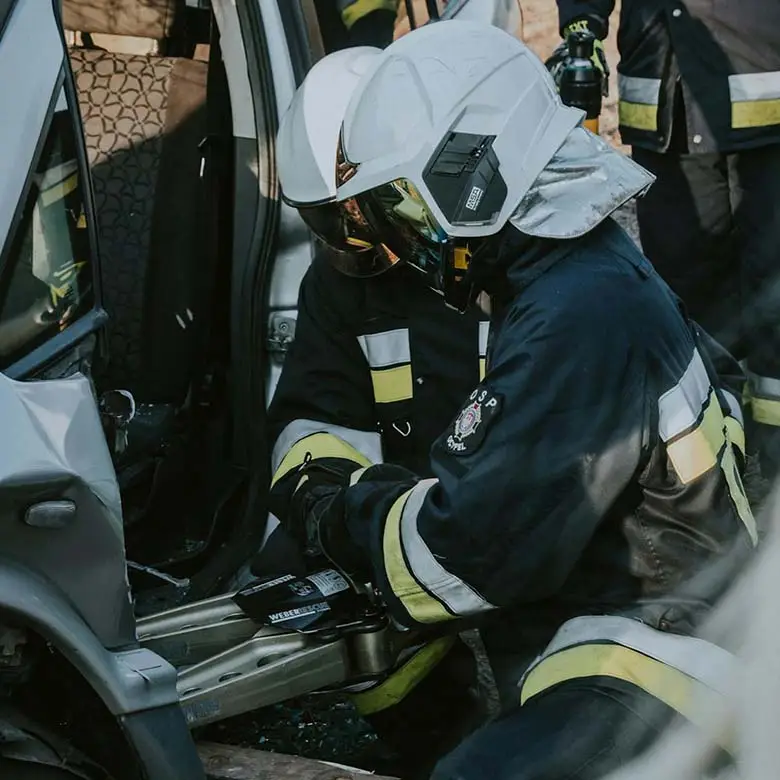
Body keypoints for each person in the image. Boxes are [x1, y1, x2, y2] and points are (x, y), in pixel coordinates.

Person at [275, 20, 758, 779]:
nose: (398, 243)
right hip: (628, 617)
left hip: (662, 649)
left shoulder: (575, 311)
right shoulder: (567, 279)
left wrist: (344, 512)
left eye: (401, 208)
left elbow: (459, 561)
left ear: (471, 171)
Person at [262, 45, 490, 777]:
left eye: (361, 221)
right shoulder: (338, 287)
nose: (350, 245)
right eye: (329, 225)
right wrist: (325, 503)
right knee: (300, 572)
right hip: (416, 517)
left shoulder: (505, 255)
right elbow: (314, 412)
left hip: (535, 506)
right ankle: (434, 737)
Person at [554, 1, 780, 490]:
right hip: (667, 109)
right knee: (683, 303)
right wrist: (581, 28)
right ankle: (716, 469)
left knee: (775, 297)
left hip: (764, 96)